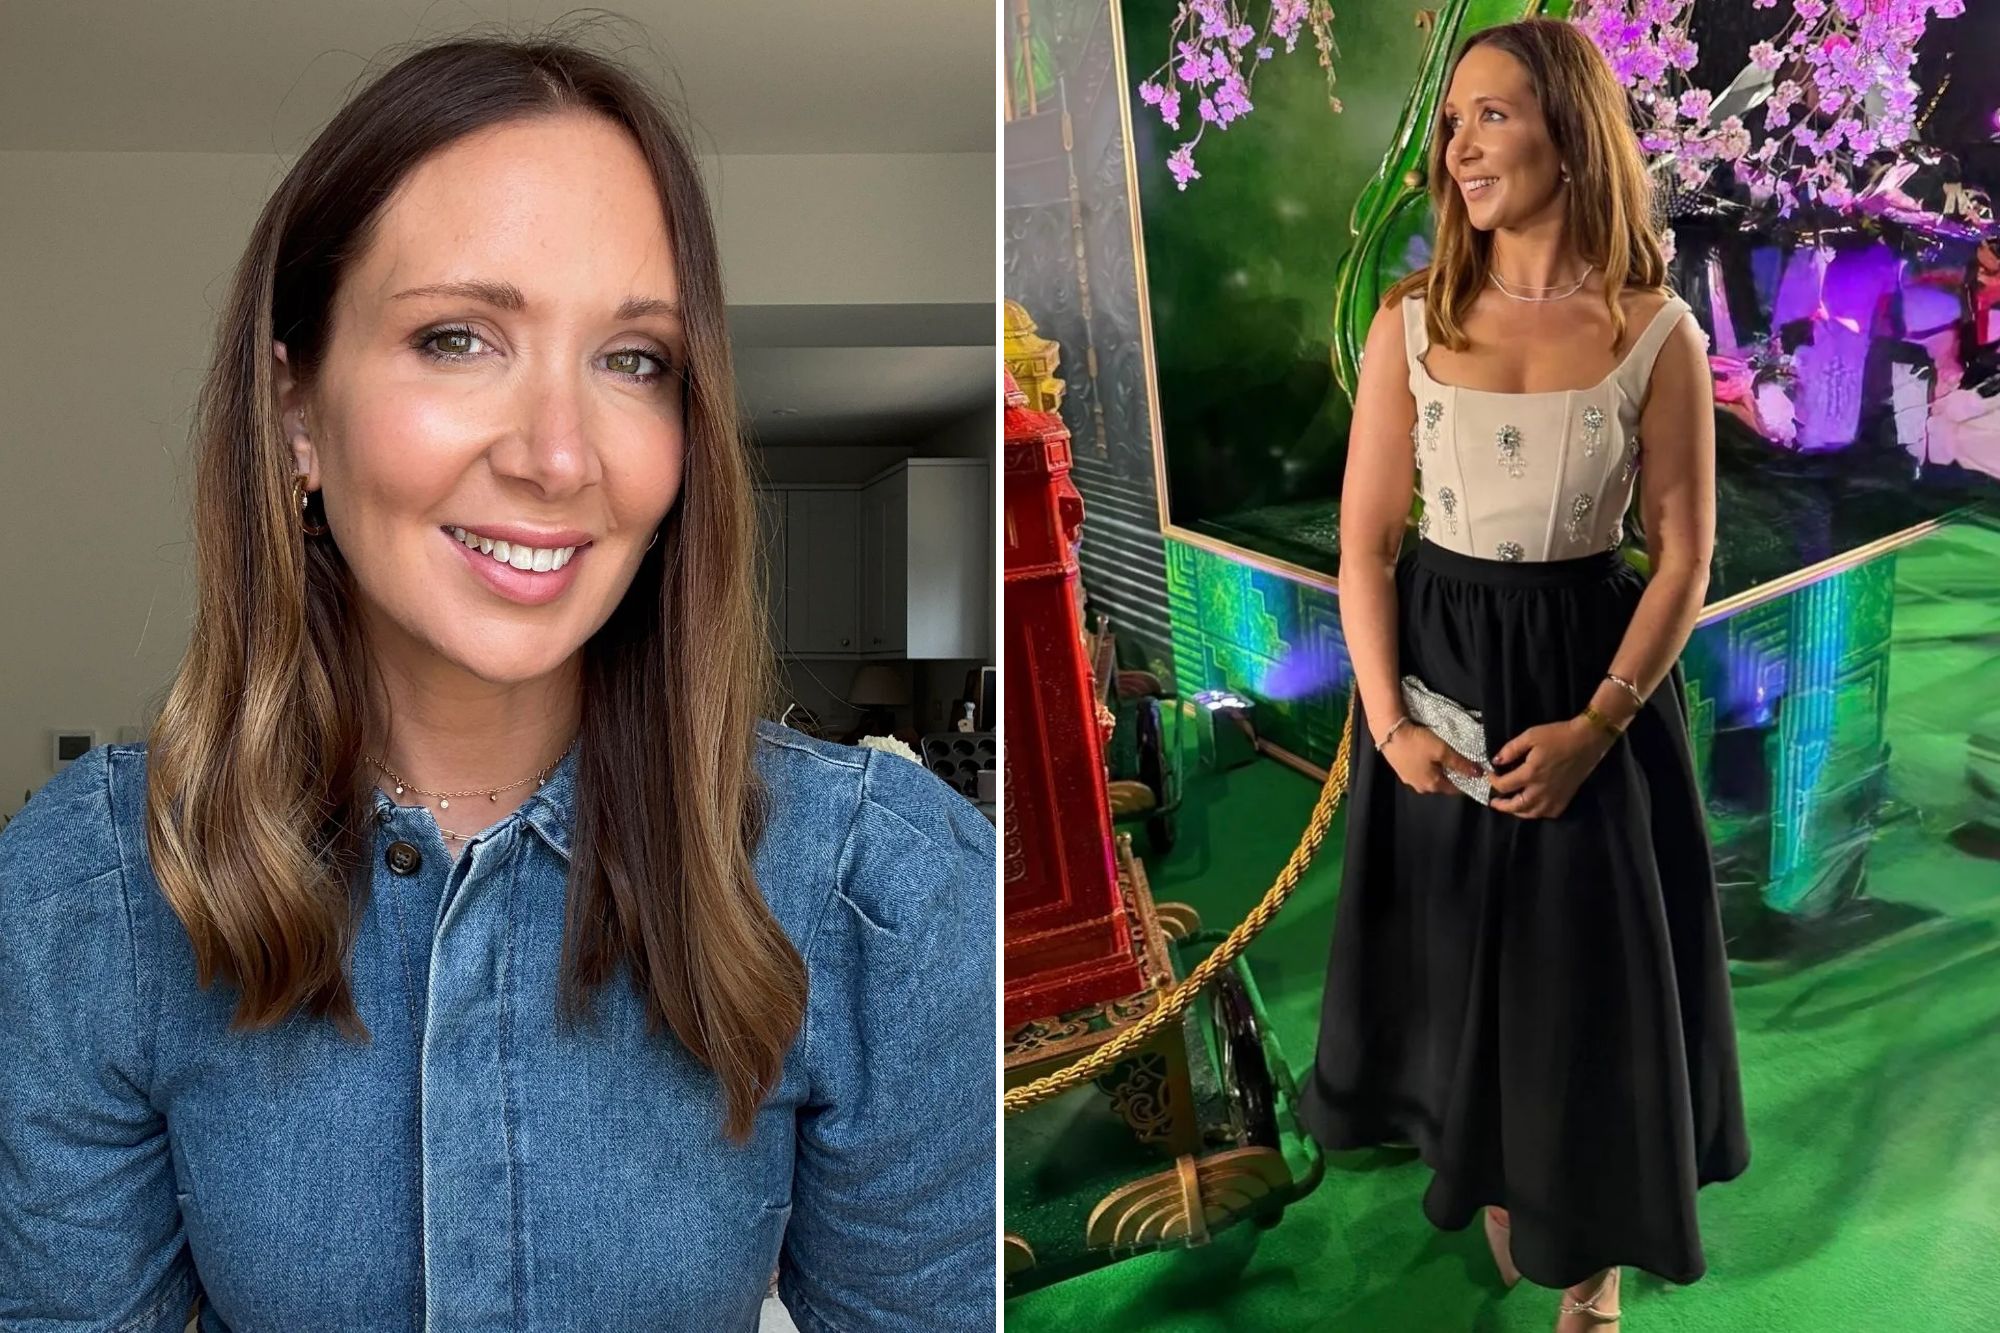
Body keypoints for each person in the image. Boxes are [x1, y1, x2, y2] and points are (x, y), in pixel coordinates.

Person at [0, 33, 995, 1332]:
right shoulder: (91, 901)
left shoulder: (890, 898)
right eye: (458, 337)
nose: (559, 453)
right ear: (297, 410)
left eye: (634, 358)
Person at [1296, 19, 1750, 1332]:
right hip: (1438, 679)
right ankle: (1497, 1170)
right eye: (1453, 122)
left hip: (1588, 685)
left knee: (1586, 979)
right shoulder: (1407, 323)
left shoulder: (1657, 329)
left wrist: (1600, 725)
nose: (1462, 142)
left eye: (1491, 113)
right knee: (1459, 964)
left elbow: (1682, 556)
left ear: (1569, 123)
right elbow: (1367, 546)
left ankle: (1593, 1268)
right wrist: (1386, 725)